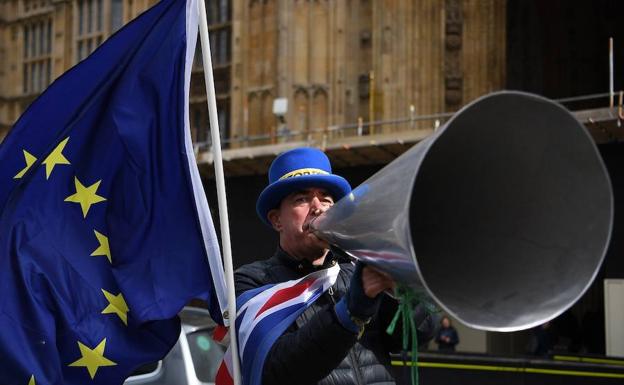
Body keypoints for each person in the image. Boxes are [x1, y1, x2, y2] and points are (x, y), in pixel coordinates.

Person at [234, 147, 438, 385]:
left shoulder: (355, 271)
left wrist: (400, 288)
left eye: (327, 199)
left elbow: (417, 335)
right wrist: (350, 311)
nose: (318, 207)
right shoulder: (253, 282)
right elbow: (277, 370)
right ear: (277, 219)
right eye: (302, 199)